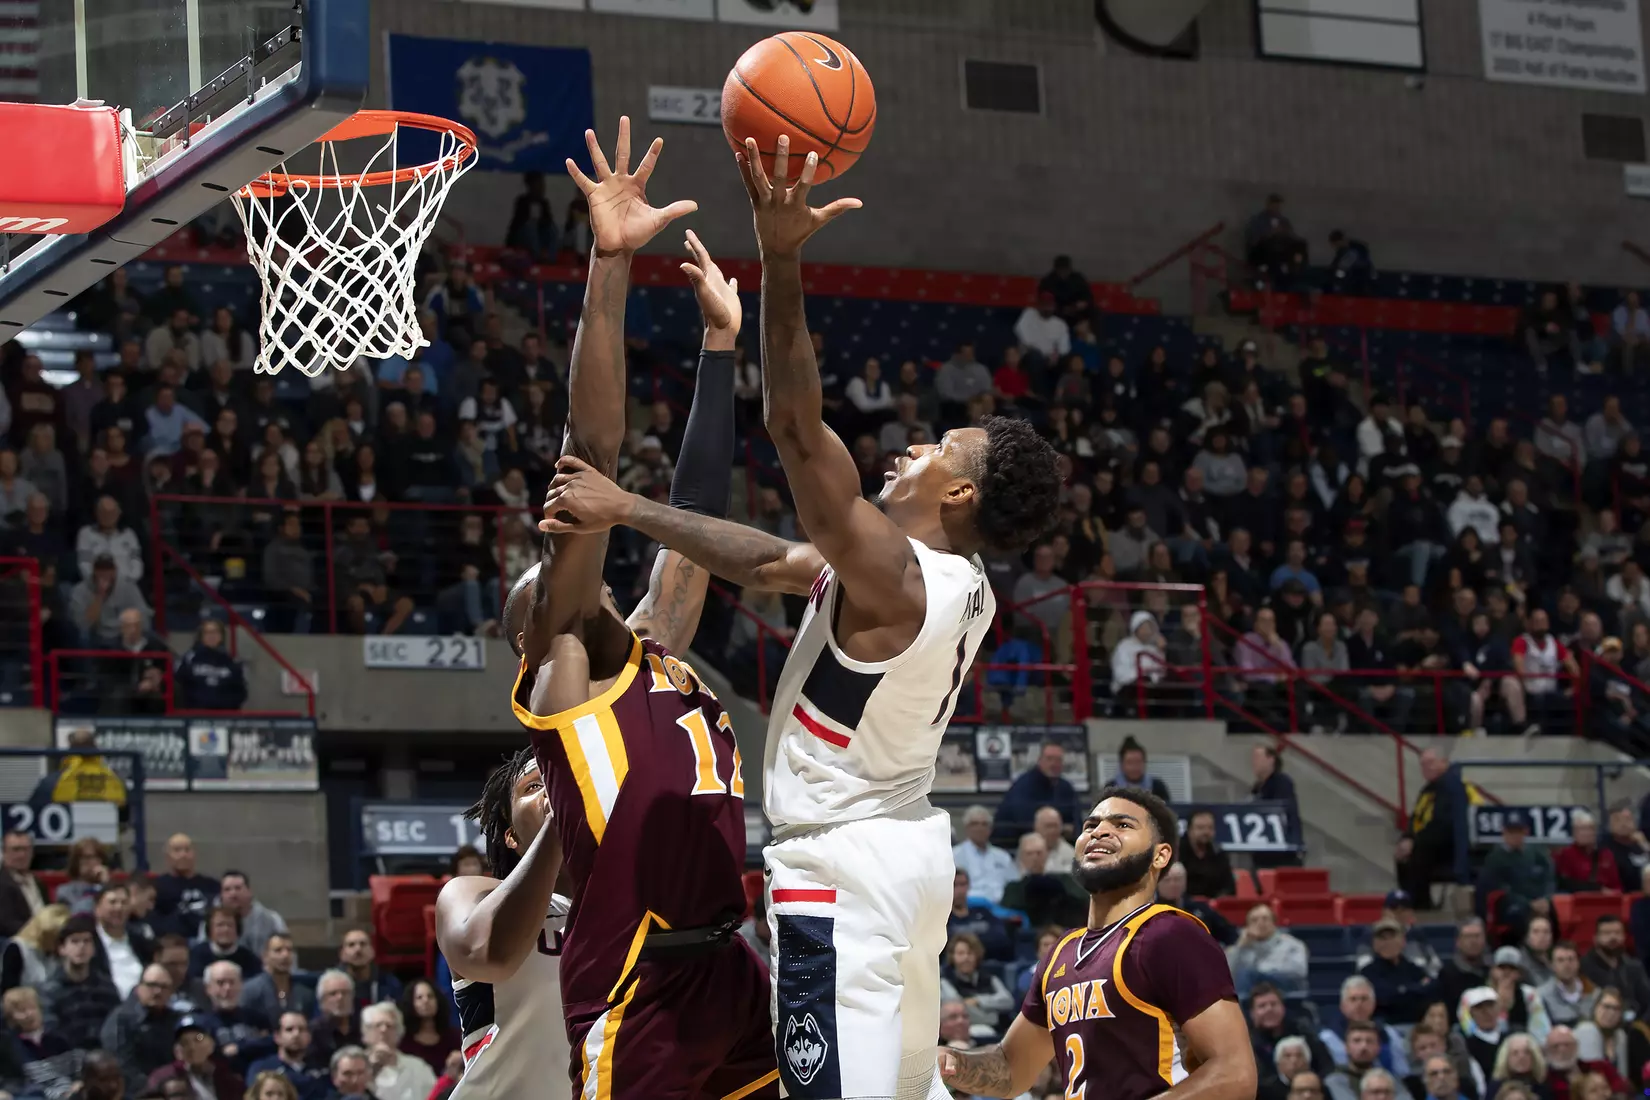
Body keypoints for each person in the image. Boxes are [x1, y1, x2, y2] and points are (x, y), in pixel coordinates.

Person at [536, 132, 1064, 1100]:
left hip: (840, 872)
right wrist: (632, 509)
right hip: (906, 852)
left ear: (958, 499)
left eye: (939, 448)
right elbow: (776, 561)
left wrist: (782, 254)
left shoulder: (901, 573)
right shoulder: (949, 584)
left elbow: (791, 424)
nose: (912, 449)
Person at [494, 121, 776, 1100]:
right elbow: (593, 455)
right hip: (642, 979)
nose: (562, 584)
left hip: (730, 966)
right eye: (540, 590)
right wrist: (609, 265)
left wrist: (719, 348)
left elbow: (693, 521)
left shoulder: (658, 649)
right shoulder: (568, 660)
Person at [936, 787, 1256, 1100]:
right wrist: (950, 1062)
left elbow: (1235, 1074)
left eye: (1122, 824)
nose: (1100, 831)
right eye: (1091, 825)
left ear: (1160, 855)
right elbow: (1010, 1070)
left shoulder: (1169, 934)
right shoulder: (1061, 953)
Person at [435, 751, 570, 1099]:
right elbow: (489, 954)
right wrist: (560, 821)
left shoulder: (633, 911)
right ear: (511, 835)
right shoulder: (471, 893)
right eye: (535, 785)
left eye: (562, 778)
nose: (553, 787)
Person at [41, 912, 122, 1049]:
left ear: (94, 949)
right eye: (75, 941)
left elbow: (117, 1024)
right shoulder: (50, 990)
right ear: (62, 949)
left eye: (87, 941)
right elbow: (52, 1033)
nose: (81, 947)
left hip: (105, 1056)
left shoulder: (106, 986)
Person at [991, 742, 1084, 845]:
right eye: (1049, 759)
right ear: (1040, 761)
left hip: (1058, 845)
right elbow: (1024, 822)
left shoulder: (1066, 788)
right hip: (1019, 845)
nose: (1054, 764)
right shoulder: (1023, 785)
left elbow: (1076, 820)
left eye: (1058, 760)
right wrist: (1061, 829)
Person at [1480, 812, 1554, 934]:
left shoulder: (1537, 853)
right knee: (1518, 914)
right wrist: (1529, 904)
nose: (1515, 836)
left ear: (1525, 832)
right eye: (1511, 832)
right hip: (1512, 904)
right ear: (1504, 832)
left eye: (1518, 832)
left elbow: (1549, 879)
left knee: (1557, 911)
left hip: (1540, 902)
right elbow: (1502, 889)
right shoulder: (1495, 858)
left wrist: (1546, 899)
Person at [1359, 916, 1436, 1025]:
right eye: (1382, 938)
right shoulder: (1368, 973)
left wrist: (1401, 991)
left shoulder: (1414, 969)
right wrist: (1413, 990)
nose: (1387, 942)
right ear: (1374, 944)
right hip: (1384, 1028)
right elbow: (1384, 997)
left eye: (1392, 937)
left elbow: (1429, 991)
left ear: (1403, 941)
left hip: (1417, 1027)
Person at [147, 1015, 245, 1099]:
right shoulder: (164, 1077)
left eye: (198, 1039)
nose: (192, 1047)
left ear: (212, 1043)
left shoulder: (227, 1076)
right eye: (184, 1042)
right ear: (177, 1050)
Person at [939, 932, 1014, 1039]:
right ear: (952, 956)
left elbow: (1008, 1001)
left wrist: (978, 1001)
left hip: (998, 1033)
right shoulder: (945, 981)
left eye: (970, 953)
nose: (966, 958)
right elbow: (960, 1010)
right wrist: (994, 1014)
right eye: (961, 953)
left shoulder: (989, 978)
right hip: (964, 1034)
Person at [357, 1002, 435, 1100]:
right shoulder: (355, 1066)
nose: (383, 1030)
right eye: (378, 1025)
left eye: (389, 1026)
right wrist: (372, 1070)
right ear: (366, 1033)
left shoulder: (418, 1067)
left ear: (399, 1032)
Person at [1230, 903, 1310, 997]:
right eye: (1254, 920)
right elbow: (1228, 975)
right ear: (1247, 926)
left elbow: (1299, 971)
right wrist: (1240, 947)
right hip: (1249, 999)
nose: (1260, 923)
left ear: (1274, 923)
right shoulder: (1242, 946)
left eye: (1265, 919)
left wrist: (1262, 973)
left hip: (1285, 994)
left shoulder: (1293, 945)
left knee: (1251, 974)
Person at [245, 1011, 329, 1100]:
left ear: (309, 1037)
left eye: (301, 1029)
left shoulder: (321, 1070)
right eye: (289, 1029)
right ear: (277, 1037)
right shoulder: (261, 1068)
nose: (296, 1034)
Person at [1578, 917, 1650, 1018]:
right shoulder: (1583, 967)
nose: (1613, 937)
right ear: (1595, 938)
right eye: (1607, 933)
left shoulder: (1634, 966)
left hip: (1635, 1025)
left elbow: (1647, 1002)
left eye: (1617, 933)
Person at [241, 932, 316, 1026]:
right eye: (278, 950)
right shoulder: (250, 990)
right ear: (265, 956)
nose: (285, 955)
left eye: (289, 950)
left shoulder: (305, 994)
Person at [154, 833, 219, 940]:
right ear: (167, 856)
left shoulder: (212, 885)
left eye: (187, 850)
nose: (183, 854)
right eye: (177, 850)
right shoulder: (157, 886)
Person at [952, 805, 1019, 904]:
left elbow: (1014, 883)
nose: (980, 828)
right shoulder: (954, 855)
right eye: (975, 824)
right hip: (969, 907)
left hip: (1001, 907)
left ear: (990, 829)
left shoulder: (1002, 856)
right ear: (966, 828)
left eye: (984, 824)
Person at [947, 870, 1012, 962]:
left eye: (963, 884)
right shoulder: (944, 919)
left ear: (969, 886)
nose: (959, 890)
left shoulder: (983, 913)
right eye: (954, 885)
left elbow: (1001, 937)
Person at [1181, 808, 1238, 898]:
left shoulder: (1219, 853)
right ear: (1189, 830)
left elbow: (1229, 886)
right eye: (1200, 828)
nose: (1206, 832)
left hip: (1213, 905)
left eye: (1210, 828)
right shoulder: (1177, 851)